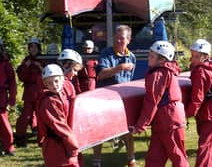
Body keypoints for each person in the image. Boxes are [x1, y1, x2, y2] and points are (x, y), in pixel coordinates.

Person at [129, 41, 189, 167]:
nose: (148, 57)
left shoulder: (158, 74)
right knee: (154, 160)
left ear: (162, 60)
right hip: (164, 121)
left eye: (152, 55)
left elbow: (151, 102)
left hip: (169, 121)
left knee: (177, 156)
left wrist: (140, 126)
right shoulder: (164, 72)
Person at [94, 25, 136, 167]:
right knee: (100, 131)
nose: (118, 41)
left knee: (128, 130)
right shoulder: (106, 53)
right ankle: (96, 162)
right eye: (116, 38)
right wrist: (120, 67)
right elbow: (101, 74)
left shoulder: (132, 57)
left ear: (128, 40)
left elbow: (128, 80)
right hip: (105, 99)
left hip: (123, 100)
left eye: (122, 38)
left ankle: (131, 159)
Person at [186, 39, 212, 167]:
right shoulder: (211, 67)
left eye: (197, 56)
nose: (193, 59)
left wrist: (186, 114)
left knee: (206, 146)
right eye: (192, 56)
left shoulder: (201, 71)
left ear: (206, 57)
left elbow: (197, 98)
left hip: (211, 113)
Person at [37, 64, 79, 167]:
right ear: (45, 84)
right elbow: (58, 125)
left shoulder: (61, 95)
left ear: (62, 80)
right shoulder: (49, 102)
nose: (54, 85)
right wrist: (73, 144)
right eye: (50, 83)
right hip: (55, 144)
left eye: (56, 81)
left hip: (64, 141)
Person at [15, 37, 44, 147]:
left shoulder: (43, 59)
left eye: (35, 47)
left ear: (38, 48)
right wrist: (26, 67)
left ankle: (42, 140)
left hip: (40, 92)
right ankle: (20, 140)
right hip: (29, 93)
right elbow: (22, 77)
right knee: (25, 117)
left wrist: (40, 68)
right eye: (31, 47)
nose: (33, 49)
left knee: (41, 117)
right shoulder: (26, 60)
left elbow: (48, 76)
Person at [57, 49, 84, 166]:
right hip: (62, 135)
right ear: (66, 66)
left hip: (68, 132)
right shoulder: (60, 86)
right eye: (74, 70)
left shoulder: (67, 84)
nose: (76, 73)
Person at [0, 39, 17, 156]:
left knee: (4, 124)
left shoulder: (5, 64)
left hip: (1, 98)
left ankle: (9, 147)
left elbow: (12, 83)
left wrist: (11, 99)